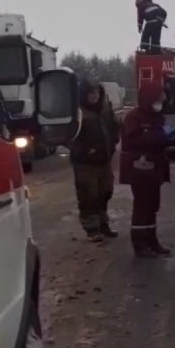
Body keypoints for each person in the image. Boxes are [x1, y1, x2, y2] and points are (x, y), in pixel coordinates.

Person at [119, 82, 173, 257]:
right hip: (139, 169)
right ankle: (140, 244)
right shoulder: (133, 117)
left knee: (152, 206)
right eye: (157, 100)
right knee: (142, 206)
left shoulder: (156, 117)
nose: (160, 103)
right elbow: (134, 139)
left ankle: (152, 241)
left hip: (154, 167)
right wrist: (158, 136)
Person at [70, 78, 121, 242]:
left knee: (105, 192)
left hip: (104, 159)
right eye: (91, 93)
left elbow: (114, 126)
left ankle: (103, 223)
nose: (94, 96)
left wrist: (114, 141)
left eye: (96, 92)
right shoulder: (76, 112)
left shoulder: (105, 108)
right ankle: (91, 227)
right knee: (88, 195)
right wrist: (83, 149)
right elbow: (67, 136)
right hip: (85, 162)